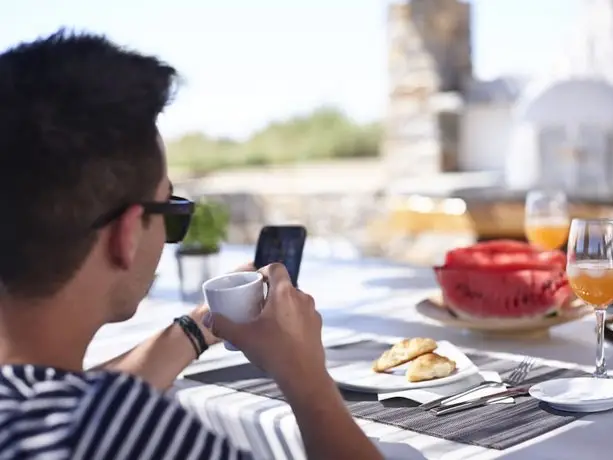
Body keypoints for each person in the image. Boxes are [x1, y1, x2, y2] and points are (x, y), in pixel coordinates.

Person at [0, 30, 383, 460]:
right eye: (170, 211)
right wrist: (308, 378)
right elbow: (99, 418)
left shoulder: (43, 410)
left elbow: (68, 394)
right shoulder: (124, 435)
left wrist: (204, 324)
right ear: (127, 235)